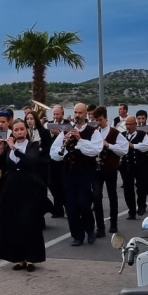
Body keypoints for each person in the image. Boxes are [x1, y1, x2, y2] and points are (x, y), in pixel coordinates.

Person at [0, 119, 51, 271]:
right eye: (16, 130)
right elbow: (1, 166)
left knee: (29, 220)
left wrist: (13, 148)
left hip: (29, 186)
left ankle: (31, 258)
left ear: (26, 130)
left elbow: (30, 161)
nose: (19, 132)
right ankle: (18, 258)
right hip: (11, 186)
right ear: (12, 132)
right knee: (12, 222)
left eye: (21, 129)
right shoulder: (8, 147)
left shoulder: (32, 145)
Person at [50, 102, 100, 246]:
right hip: (69, 173)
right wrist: (63, 144)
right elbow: (54, 154)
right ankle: (77, 236)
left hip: (85, 173)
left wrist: (80, 139)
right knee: (70, 206)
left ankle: (90, 229)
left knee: (84, 203)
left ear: (85, 114)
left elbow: (95, 150)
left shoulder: (93, 131)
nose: (77, 115)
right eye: (75, 113)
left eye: (80, 113)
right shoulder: (66, 130)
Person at [113, 115, 148, 217]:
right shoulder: (122, 135)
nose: (128, 126)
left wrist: (133, 145)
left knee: (141, 187)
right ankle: (131, 210)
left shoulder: (142, 134)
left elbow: (146, 146)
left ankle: (141, 205)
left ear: (135, 125)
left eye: (130, 124)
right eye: (126, 124)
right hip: (126, 166)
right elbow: (117, 146)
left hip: (140, 165)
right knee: (128, 188)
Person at [90, 106, 120, 237]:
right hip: (96, 169)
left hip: (110, 168)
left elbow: (123, 149)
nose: (98, 123)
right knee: (96, 197)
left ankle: (114, 223)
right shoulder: (94, 132)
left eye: (100, 120)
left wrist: (109, 145)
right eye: (96, 120)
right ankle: (100, 228)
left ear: (106, 118)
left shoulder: (114, 132)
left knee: (112, 195)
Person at [43, 103, 68, 219]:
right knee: (52, 185)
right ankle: (58, 209)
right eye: (54, 114)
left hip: (62, 160)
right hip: (51, 159)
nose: (55, 116)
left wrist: (58, 134)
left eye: (57, 114)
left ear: (62, 114)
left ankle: (66, 207)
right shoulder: (49, 124)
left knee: (62, 185)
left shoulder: (67, 125)